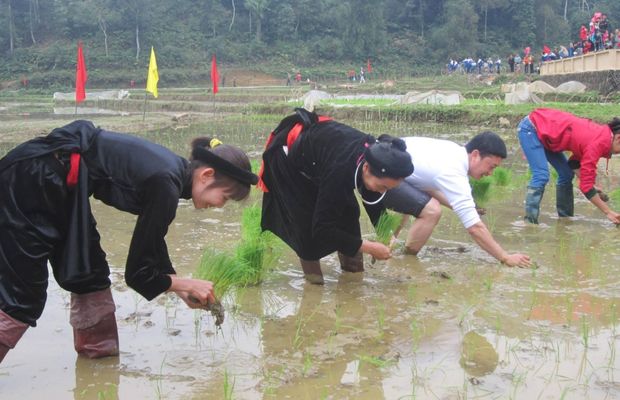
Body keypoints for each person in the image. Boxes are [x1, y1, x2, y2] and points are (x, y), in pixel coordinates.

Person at [0, 120, 258, 362]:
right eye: (223, 198)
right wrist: (186, 282)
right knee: (22, 296)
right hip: (33, 179)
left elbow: (153, 242)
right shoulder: (165, 182)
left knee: (89, 273)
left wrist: (180, 288)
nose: (219, 206)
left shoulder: (171, 176)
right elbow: (137, 274)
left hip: (66, 186)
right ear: (206, 175)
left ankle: (100, 369)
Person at [259, 108, 413, 284]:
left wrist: (386, 235)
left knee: (349, 216)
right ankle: (314, 287)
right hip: (289, 161)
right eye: (382, 186)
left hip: (322, 160)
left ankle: (353, 278)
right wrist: (370, 248)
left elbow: (373, 197)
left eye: (389, 189)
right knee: (307, 230)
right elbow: (322, 230)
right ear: (366, 168)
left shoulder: (376, 157)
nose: (383, 192)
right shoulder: (339, 170)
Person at [377, 133, 531, 268]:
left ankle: (385, 249)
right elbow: (474, 228)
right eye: (491, 167)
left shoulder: (453, 151)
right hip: (377, 173)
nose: (490, 173)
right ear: (476, 155)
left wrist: (458, 206)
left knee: (414, 204)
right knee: (431, 211)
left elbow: (423, 185)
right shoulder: (454, 171)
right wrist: (505, 257)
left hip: (382, 161)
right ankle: (407, 259)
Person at [518, 108, 620, 225]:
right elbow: (585, 187)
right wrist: (608, 212)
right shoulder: (598, 143)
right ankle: (530, 223)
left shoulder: (602, 136)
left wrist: (591, 185)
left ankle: (565, 219)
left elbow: (574, 163)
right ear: (618, 138)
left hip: (549, 135)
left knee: (566, 173)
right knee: (541, 175)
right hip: (532, 128)